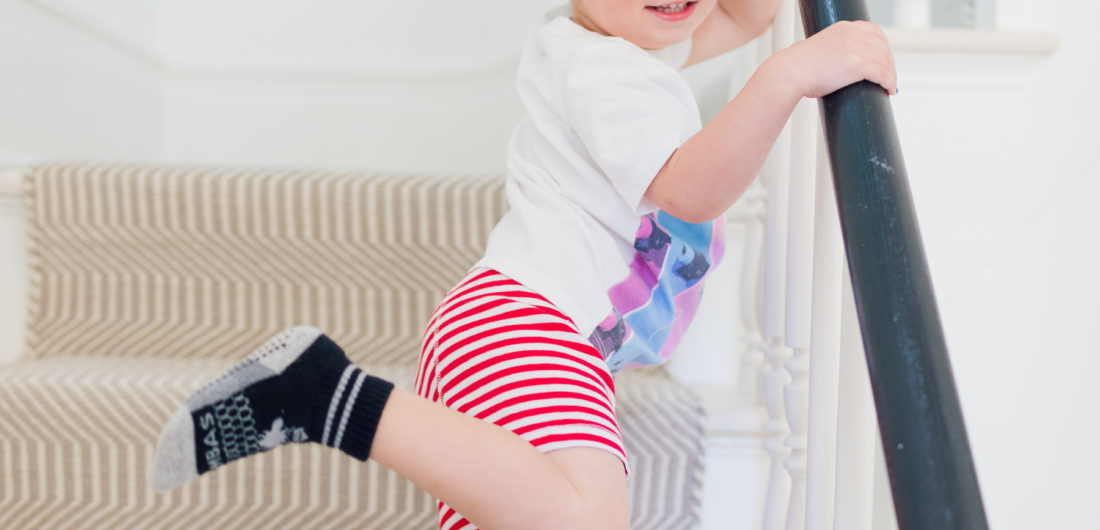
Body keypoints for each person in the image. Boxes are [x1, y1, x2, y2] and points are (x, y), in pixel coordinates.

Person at [150, 0, 897, 528]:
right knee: (585, 517)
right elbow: (692, 186)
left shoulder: (620, 38)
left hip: (510, 329)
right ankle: (322, 393)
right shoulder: (605, 73)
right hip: (524, 326)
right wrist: (789, 76)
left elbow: (751, 14)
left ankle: (322, 393)